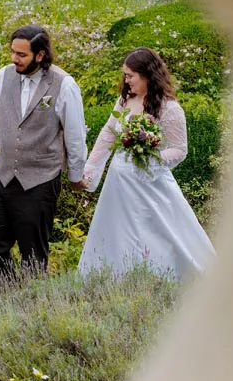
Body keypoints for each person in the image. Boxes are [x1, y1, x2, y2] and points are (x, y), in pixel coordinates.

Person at [79, 47, 215, 280]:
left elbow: (179, 149)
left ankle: (158, 278)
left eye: (130, 75)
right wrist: (90, 170)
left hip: (150, 183)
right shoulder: (125, 100)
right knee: (117, 231)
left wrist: (151, 159)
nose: (126, 80)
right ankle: (114, 279)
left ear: (147, 75)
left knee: (156, 232)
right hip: (118, 184)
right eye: (125, 75)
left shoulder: (169, 108)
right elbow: (108, 133)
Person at [0, 25, 88, 281]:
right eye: (13, 52)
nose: (14, 58)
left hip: (40, 180)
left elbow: (75, 135)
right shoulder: (2, 77)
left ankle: (32, 299)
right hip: (2, 176)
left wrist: (75, 175)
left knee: (33, 252)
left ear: (40, 55)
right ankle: (6, 294)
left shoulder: (64, 84)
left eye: (21, 54)